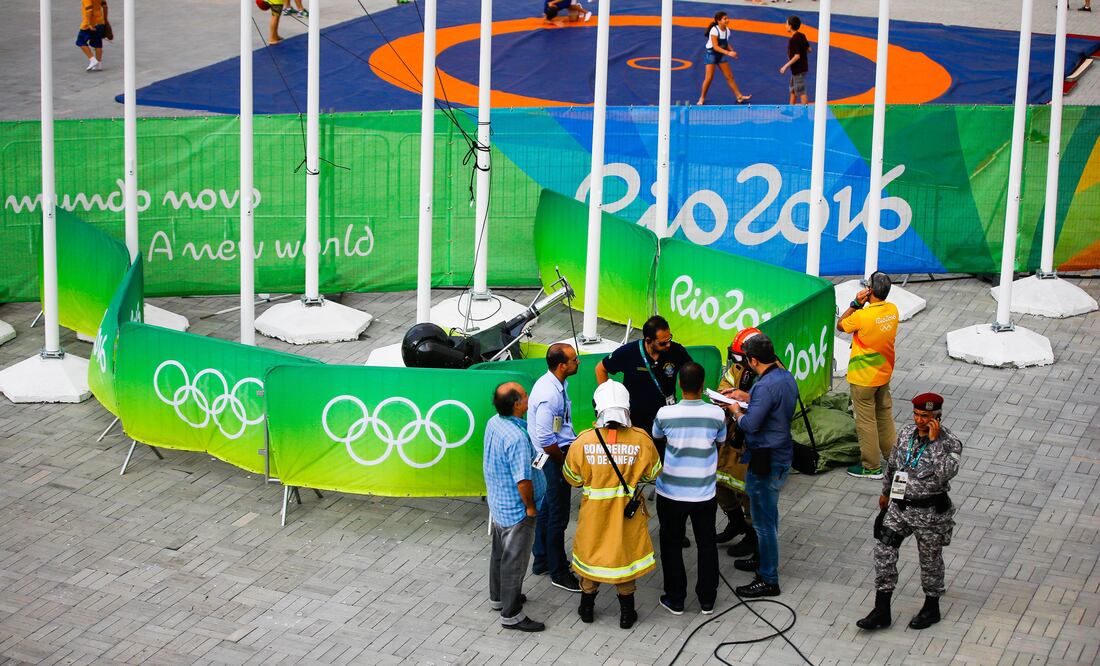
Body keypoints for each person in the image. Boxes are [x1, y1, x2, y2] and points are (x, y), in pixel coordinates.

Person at [857, 393, 962, 631]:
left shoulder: (950, 443)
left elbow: (946, 473)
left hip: (930, 513)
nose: (919, 420)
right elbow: (893, 464)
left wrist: (934, 443)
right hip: (900, 507)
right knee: (883, 551)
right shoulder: (906, 434)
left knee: (930, 560)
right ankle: (881, 609)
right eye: (916, 414)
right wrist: (885, 492)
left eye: (925, 416)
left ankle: (931, 606)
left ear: (937, 416)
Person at [563, 380, 662, 629]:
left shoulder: (583, 441)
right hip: (627, 515)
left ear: (598, 409)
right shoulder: (642, 440)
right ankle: (627, 614)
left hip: (594, 515)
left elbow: (572, 478)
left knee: (591, 557)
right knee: (624, 560)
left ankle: (587, 608)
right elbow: (652, 475)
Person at [723, 333, 798, 598]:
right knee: (769, 517)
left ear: (753, 360)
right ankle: (762, 561)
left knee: (764, 523)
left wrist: (736, 411)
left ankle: (768, 577)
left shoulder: (765, 386)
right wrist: (746, 395)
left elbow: (751, 424)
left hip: (765, 458)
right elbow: (771, 406)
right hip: (780, 453)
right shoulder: (784, 376)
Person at [651, 362, 726, 615]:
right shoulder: (717, 414)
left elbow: (657, 437)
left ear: (680, 385)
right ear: (702, 384)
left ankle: (675, 597)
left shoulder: (664, 414)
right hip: (705, 492)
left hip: (671, 492)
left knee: (671, 544)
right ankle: (707, 599)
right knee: (706, 543)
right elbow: (721, 441)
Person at [483, 382, 546, 632]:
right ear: (517, 404)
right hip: (517, 511)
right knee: (514, 563)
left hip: (499, 502)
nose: (528, 396)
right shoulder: (518, 438)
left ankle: (498, 598)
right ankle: (512, 615)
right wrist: (530, 507)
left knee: (499, 554)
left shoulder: (494, 423)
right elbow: (523, 480)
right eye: (524, 394)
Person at [595, 315, 692, 457]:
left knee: (661, 458)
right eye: (663, 343)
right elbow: (600, 369)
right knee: (636, 458)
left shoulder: (677, 351)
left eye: (669, 339)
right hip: (634, 421)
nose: (668, 345)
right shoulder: (629, 352)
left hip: (664, 418)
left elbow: (691, 373)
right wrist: (608, 401)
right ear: (648, 341)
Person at [528, 343, 582, 592]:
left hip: (553, 453)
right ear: (562, 366)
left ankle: (541, 559)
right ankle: (558, 571)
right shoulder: (549, 395)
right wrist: (563, 461)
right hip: (553, 457)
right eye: (573, 359)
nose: (577, 362)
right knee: (558, 517)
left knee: (549, 509)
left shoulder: (557, 384)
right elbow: (546, 438)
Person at [837, 272, 900, 480]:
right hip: (884, 373)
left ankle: (871, 466)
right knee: (884, 415)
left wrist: (855, 303)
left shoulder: (862, 316)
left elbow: (840, 325)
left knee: (865, 421)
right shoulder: (893, 310)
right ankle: (894, 457)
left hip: (863, 378)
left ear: (870, 290)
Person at [715, 328, 760, 560]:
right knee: (720, 479)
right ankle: (735, 522)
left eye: (740, 357)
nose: (737, 362)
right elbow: (726, 383)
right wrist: (727, 396)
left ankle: (752, 536)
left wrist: (745, 399)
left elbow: (772, 406)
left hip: (752, 440)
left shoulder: (771, 375)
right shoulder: (740, 368)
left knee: (749, 491)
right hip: (732, 434)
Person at [696, 11, 751, 105]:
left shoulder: (727, 30)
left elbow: (726, 43)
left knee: (729, 76)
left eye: (727, 18)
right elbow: (715, 47)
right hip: (712, 54)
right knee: (709, 78)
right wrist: (728, 53)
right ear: (718, 21)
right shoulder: (714, 30)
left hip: (721, 55)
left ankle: (739, 96)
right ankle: (701, 98)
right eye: (724, 19)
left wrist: (732, 51)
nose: (727, 20)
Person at [779, 16, 810, 105]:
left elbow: (797, 56)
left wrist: (785, 66)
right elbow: (809, 49)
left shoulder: (793, 40)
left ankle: (805, 111)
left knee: (801, 90)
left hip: (798, 70)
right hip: (802, 67)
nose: (785, 25)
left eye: (786, 24)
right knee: (793, 88)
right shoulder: (802, 35)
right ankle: (791, 108)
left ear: (790, 26)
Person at [77, 0, 108, 72]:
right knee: (98, 43)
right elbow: (105, 6)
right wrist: (105, 19)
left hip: (88, 24)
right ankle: (99, 64)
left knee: (80, 41)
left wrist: (89, 23)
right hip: (100, 21)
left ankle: (92, 60)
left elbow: (89, 9)